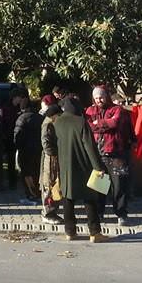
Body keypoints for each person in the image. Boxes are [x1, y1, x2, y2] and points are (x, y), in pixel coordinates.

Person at [53, 96, 111, 242]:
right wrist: (98, 167)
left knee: (68, 198)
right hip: (83, 165)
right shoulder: (81, 122)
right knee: (90, 198)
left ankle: (70, 232)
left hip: (65, 165)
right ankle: (94, 232)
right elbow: (89, 146)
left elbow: (54, 144)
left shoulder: (57, 122)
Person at [85, 86, 134, 226]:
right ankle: (99, 213)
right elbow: (88, 126)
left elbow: (115, 122)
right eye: (96, 98)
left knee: (120, 185)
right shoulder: (89, 110)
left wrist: (97, 124)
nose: (99, 100)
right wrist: (104, 124)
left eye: (101, 97)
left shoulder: (118, 110)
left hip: (117, 154)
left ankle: (121, 213)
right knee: (99, 186)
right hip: (98, 155)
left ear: (107, 96)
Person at [13, 89, 43, 206]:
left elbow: (17, 135)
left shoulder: (21, 118)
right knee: (36, 172)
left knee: (25, 172)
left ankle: (29, 195)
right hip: (38, 149)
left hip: (25, 150)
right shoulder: (40, 118)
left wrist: (17, 146)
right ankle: (37, 194)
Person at [39, 96, 64, 221]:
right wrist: (54, 154)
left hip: (53, 157)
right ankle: (48, 213)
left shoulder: (52, 122)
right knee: (50, 183)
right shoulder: (48, 124)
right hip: (50, 159)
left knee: (54, 184)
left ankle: (52, 211)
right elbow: (46, 143)